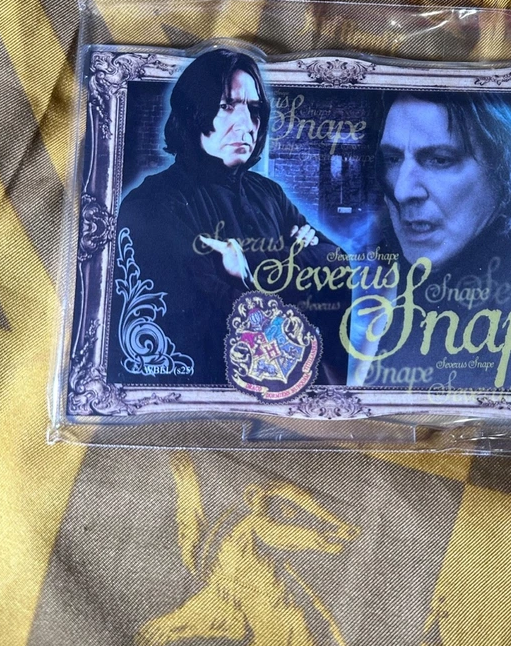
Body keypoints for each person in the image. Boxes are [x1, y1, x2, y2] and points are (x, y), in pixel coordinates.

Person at [108, 46, 349, 390]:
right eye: (226, 106)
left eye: (254, 109)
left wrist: (246, 268)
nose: (246, 124)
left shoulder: (268, 193)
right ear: (193, 112)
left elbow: (336, 263)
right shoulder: (151, 203)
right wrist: (291, 261)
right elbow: (203, 316)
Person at [352, 89, 511, 394]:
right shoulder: (416, 286)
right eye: (392, 159)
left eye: (440, 160)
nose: (402, 191)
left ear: (506, 169)